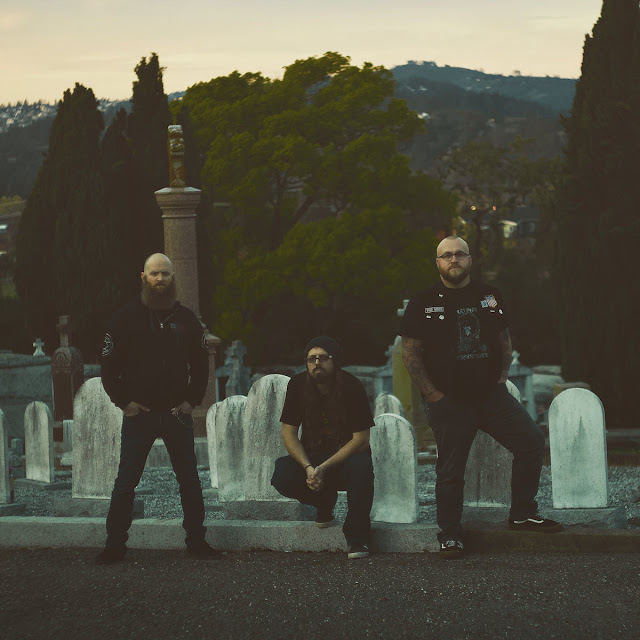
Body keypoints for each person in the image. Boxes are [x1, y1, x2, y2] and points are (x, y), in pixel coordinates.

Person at [401, 236, 561, 559]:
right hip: (449, 401)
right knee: (450, 470)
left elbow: (504, 340)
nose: (454, 259)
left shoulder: (489, 296)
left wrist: (501, 377)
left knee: (531, 441)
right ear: (438, 263)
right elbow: (410, 354)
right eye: (447, 255)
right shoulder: (422, 302)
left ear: (470, 260)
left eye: (460, 254)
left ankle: (522, 513)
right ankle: (450, 534)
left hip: (490, 397)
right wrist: (434, 395)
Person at [95, 253, 216, 564]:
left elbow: (201, 366)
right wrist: (124, 402)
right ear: (143, 277)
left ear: (173, 277)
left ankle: (197, 541)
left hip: (177, 414)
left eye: (165, 273)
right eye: (154, 273)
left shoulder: (187, 319)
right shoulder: (124, 318)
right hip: (141, 414)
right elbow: (108, 366)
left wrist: (191, 401)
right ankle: (114, 545)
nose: (160, 278)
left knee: (189, 480)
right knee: (126, 481)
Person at [271, 336, 375, 559]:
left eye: (323, 357)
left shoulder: (352, 386)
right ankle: (324, 501)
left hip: (347, 459)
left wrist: (324, 468)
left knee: (361, 467)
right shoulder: (297, 385)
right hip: (313, 458)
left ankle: (358, 538)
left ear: (335, 361)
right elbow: (288, 433)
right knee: (282, 474)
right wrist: (308, 468)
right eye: (311, 359)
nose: (317, 363)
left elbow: (361, 439)